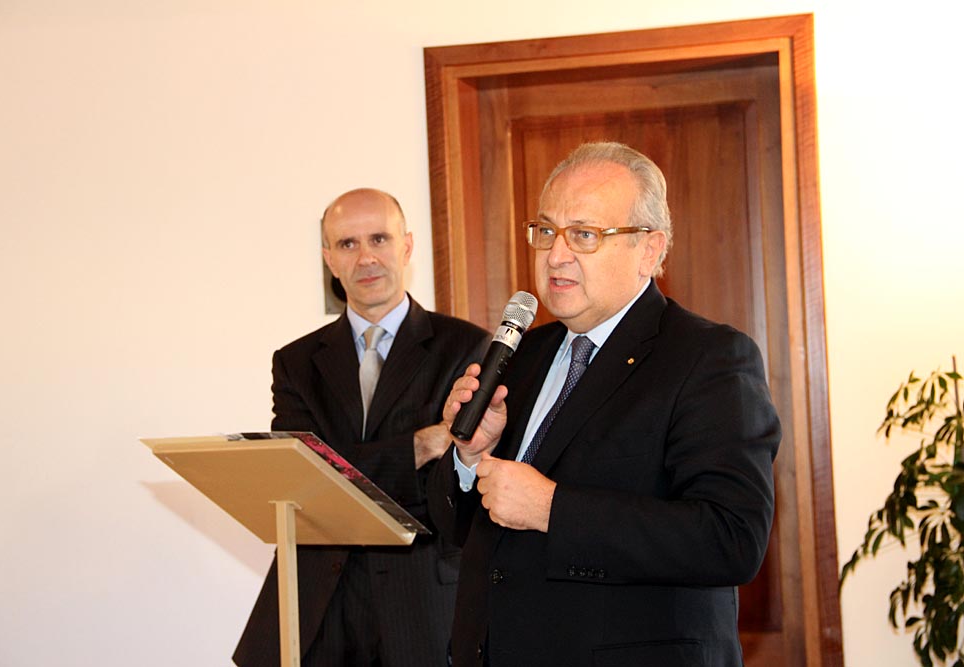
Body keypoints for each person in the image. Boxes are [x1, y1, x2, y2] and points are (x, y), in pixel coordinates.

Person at [430, 142, 781, 667]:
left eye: (585, 235)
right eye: (546, 231)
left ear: (649, 250)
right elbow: (459, 530)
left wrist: (553, 509)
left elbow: (731, 538)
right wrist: (469, 458)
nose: (556, 255)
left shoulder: (708, 358)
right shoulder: (522, 355)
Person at [234, 188, 490, 667]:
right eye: (348, 244)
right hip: (320, 607)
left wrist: (345, 464)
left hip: (423, 605)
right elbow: (304, 479)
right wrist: (420, 445)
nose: (366, 258)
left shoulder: (468, 348)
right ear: (329, 259)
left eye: (379, 239)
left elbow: (453, 489)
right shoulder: (295, 363)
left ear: (407, 246)